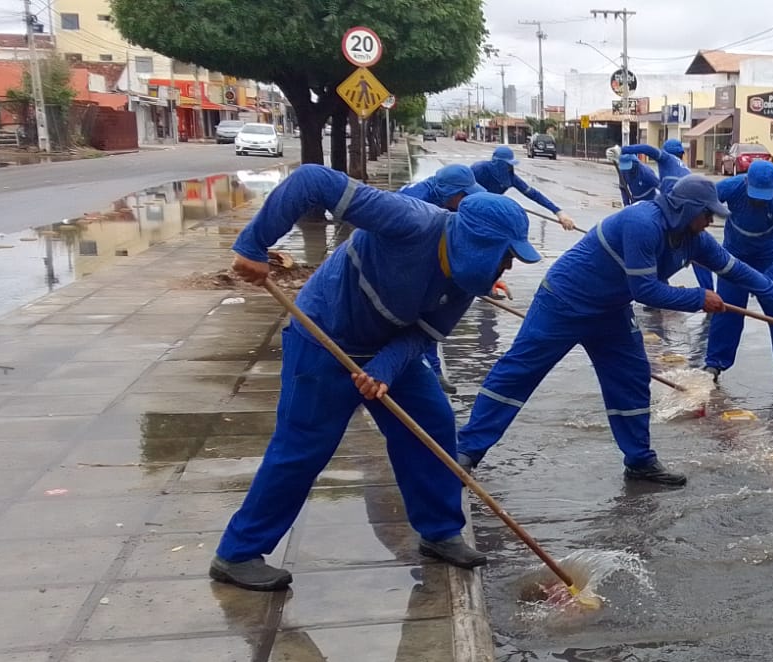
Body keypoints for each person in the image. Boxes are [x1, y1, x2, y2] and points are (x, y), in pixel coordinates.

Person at [209, 165, 542, 591]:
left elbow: (424, 333)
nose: (507, 267)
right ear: (480, 242)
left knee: (433, 425)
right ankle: (237, 554)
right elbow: (312, 180)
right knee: (304, 447)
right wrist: (253, 243)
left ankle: (440, 532)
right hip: (324, 336)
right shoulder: (408, 220)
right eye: (507, 255)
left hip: (386, 346)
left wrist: (383, 368)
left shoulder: (465, 280)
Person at [457, 175, 773, 486]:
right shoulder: (642, 223)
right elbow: (645, 290)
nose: (710, 221)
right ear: (686, 210)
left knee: (631, 379)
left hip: (610, 310)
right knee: (519, 372)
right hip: (564, 301)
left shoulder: (694, 239)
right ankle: (467, 452)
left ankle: (639, 461)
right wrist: (699, 298)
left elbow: (742, 272)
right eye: (707, 214)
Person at [700, 161, 773, 391]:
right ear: (746, 182)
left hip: (768, 257)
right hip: (734, 256)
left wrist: (771, 276)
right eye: (755, 195)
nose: (759, 201)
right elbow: (702, 205)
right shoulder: (730, 187)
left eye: (764, 196)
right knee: (727, 309)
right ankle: (715, 363)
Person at [398, 164, 487, 394]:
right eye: (464, 195)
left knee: (430, 318)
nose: (465, 200)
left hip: (417, 262)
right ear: (452, 192)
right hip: (399, 264)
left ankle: (434, 373)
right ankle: (421, 374)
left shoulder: (441, 196)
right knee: (417, 319)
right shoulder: (416, 206)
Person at [472, 145, 578, 231]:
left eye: (510, 166)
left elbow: (533, 194)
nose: (508, 168)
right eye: (507, 165)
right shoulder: (479, 169)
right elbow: (464, 188)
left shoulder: (511, 178)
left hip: (488, 211)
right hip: (471, 209)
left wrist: (559, 213)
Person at [621, 138, 692, 192]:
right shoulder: (686, 169)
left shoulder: (666, 158)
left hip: (678, 195)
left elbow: (647, 148)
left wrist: (622, 150)